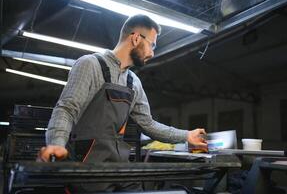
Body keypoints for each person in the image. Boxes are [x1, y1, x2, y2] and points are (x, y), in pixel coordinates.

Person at [38, 14, 207, 192]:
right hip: (87, 170)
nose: (152, 53)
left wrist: (186, 136)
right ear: (135, 38)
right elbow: (66, 109)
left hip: (119, 168)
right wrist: (56, 143)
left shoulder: (133, 82)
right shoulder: (90, 65)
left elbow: (148, 124)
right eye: (152, 44)